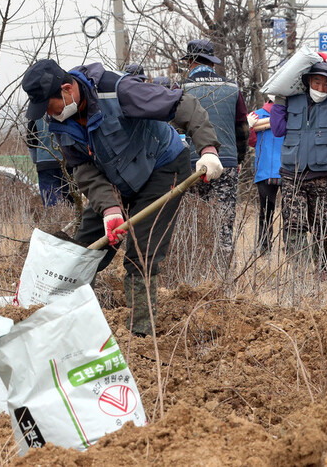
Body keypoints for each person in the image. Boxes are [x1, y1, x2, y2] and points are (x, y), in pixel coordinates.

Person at [21, 59, 223, 336]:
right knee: (83, 250)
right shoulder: (61, 124)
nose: (48, 114)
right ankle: (69, 323)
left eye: (49, 106)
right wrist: (110, 210)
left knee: (142, 251)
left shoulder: (119, 90)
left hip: (161, 168)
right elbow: (84, 169)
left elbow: (184, 105)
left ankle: (141, 334)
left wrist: (208, 149)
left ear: (67, 90)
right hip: (117, 179)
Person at [270, 55, 327, 277]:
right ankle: (301, 270)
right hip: (292, 173)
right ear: (308, 82)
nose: (321, 87)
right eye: (317, 82)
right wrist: (279, 101)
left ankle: (322, 269)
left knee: (322, 225)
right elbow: (277, 130)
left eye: (326, 83)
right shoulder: (291, 99)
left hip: (322, 174)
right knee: (293, 224)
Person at [178, 39, 249, 268]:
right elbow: (243, 129)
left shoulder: (181, 90)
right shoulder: (232, 89)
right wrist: (238, 159)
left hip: (191, 164)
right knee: (224, 221)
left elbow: (172, 131)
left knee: (192, 221)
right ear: (212, 63)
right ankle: (223, 274)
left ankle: (194, 272)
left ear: (190, 62)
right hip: (225, 162)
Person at [247, 97, 284, 254]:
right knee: (290, 212)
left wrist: (247, 127)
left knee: (266, 212)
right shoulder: (257, 117)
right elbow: (251, 141)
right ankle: (286, 247)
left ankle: (264, 248)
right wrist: (247, 126)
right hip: (286, 169)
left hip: (267, 171)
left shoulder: (255, 116)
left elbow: (251, 142)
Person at [25, 117, 74, 207]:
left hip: (45, 164)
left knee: (51, 202)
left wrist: (36, 160)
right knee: (71, 201)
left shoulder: (35, 115)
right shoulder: (68, 108)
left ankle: (55, 219)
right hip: (68, 161)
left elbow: (31, 142)